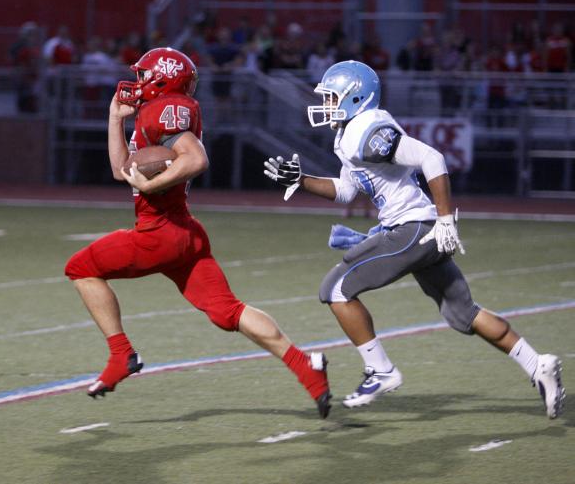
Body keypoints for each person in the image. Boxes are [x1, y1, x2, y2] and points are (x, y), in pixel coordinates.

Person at [263, 60, 566, 419]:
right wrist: (302, 180)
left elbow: (430, 157)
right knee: (462, 314)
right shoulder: (349, 134)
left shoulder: (367, 129)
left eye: (332, 97)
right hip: (418, 229)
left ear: (355, 97)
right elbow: (347, 189)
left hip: (414, 228)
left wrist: (445, 219)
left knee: (336, 289)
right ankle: (538, 365)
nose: (326, 104)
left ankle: (381, 370)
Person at [64, 47, 331, 418]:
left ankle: (121, 354)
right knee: (227, 313)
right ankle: (307, 366)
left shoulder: (163, 109)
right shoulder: (155, 111)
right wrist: (114, 119)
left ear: (162, 77)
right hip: (186, 234)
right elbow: (119, 170)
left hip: (158, 232)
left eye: (144, 75)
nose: (137, 82)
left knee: (80, 268)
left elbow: (196, 158)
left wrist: (153, 186)